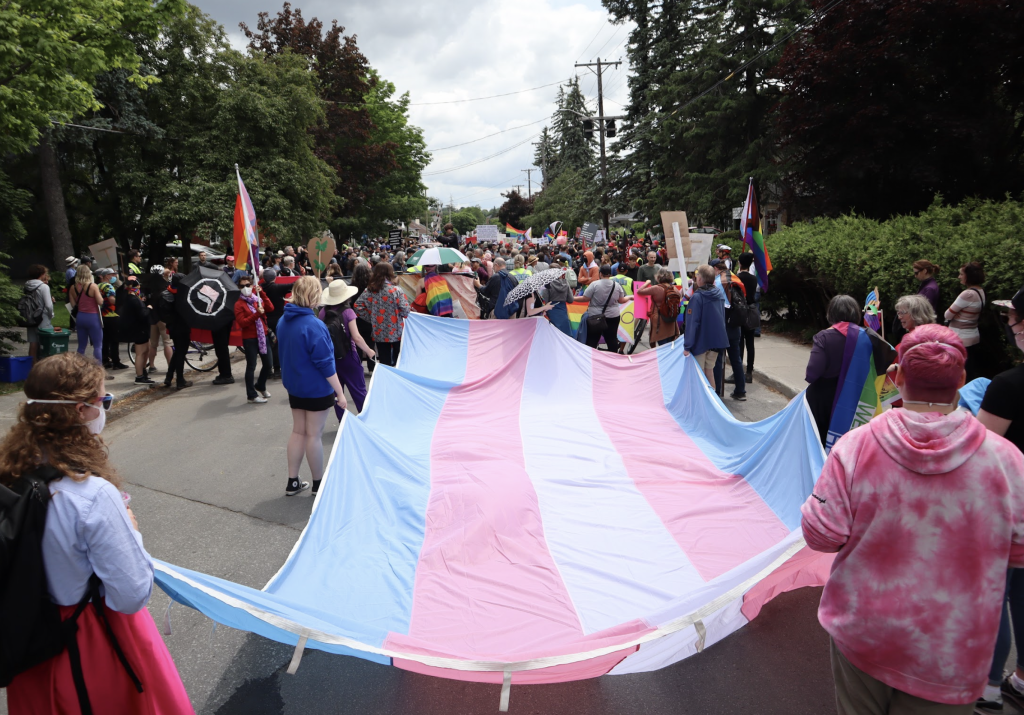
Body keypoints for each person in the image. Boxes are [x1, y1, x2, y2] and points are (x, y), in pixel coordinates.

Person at [801, 324, 1024, 715]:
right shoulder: (1007, 461)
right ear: (961, 381)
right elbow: (1018, 553)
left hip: (863, 631)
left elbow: (821, 533)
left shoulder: (856, 447)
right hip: (952, 650)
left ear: (897, 376)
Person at [1, 352, 194, 713]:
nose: (105, 408)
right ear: (79, 410)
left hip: (29, 645)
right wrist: (131, 529)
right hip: (86, 644)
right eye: (102, 400)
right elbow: (130, 594)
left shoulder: (11, 472)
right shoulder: (89, 494)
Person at [276, 276, 348, 496]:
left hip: (294, 386)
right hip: (316, 388)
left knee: (298, 431)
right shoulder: (315, 325)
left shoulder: (283, 321)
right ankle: (318, 484)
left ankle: (293, 481)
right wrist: (340, 393)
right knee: (313, 435)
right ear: (314, 295)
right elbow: (326, 364)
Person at [805, 295, 895, 447]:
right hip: (858, 396)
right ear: (856, 314)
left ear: (831, 313)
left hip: (824, 399)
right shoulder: (868, 337)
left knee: (819, 442)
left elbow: (812, 374)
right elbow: (886, 358)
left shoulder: (824, 337)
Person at [321, 280, 374, 414]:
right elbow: (356, 337)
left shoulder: (322, 312)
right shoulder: (348, 312)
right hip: (349, 356)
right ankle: (365, 420)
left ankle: (343, 423)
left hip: (330, 358)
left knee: (338, 394)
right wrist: (369, 351)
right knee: (359, 391)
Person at [354, 262, 410, 367]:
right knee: (399, 360)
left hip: (378, 330)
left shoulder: (370, 290)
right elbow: (405, 310)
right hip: (396, 331)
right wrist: (399, 315)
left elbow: (358, 306)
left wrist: (372, 318)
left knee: (384, 361)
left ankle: (386, 380)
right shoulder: (396, 290)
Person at [683, 264, 729, 391]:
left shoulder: (697, 297)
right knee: (710, 372)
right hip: (716, 341)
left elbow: (693, 323)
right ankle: (712, 401)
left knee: (699, 374)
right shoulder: (719, 294)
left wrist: (687, 346)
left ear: (699, 279)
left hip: (700, 341)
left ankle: (701, 403)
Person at [234, 274, 273, 404]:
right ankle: (251, 394)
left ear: (252, 285)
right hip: (250, 338)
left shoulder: (257, 298)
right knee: (251, 366)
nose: (245, 288)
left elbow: (270, 308)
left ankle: (260, 385)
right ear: (239, 287)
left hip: (263, 336)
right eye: (242, 286)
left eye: (247, 285)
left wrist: (263, 295)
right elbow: (242, 323)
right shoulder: (239, 304)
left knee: (268, 364)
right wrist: (257, 314)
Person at [944, 261, 986, 381]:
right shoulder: (980, 292)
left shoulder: (967, 294)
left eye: (961, 274)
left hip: (961, 337)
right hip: (973, 334)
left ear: (969, 276)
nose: (959, 277)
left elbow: (947, 314)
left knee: (961, 372)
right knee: (970, 368)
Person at [713, 259, 748, 401]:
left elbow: (719, 304)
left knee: (717, 358)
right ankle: (740, 391)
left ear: (715, 268)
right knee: (736, 359)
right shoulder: (734, 277)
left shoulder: (719, 281)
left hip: (723, 323)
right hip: (735, 324)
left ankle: (716, 391)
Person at [574, 264, 628, 351]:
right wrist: (630, 297)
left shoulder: (594, 284)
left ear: (600, 274)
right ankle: (614, 358)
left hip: (595, 316)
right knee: (612, 339)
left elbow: (585, 298)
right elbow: (621, 300)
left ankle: (590, 359)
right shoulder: (617, 285)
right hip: (613, 316)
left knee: (593, 339)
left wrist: (572, 298)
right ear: (610, 274)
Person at [157, 273, 193, 390]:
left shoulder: (165, 294)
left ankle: (169, 377)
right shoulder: (183, 295)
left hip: (172, 327)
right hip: (183, 326)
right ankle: (180, 380)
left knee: (178, 352)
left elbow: (162, 314)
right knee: (181, 353)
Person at [117, 276, 154, 385]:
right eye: (138, 287)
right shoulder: (133, 300)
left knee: (146, 349)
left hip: (141, 329)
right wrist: (149, 309)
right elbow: (142, 314)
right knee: (140, 353)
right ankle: (139, 376)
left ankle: (143, 372)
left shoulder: (130, 298)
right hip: (139, 329)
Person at [68, 264, 104, 363]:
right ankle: (99, 369)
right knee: (97, 345)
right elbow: (100, 302)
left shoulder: (72, 287)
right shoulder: (93, 286)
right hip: (93, 317)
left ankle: (79, 368)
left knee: (81, 346)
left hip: (80, 317)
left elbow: (73, 304)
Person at [637, 269, 679, 347]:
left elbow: (639, 291)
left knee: (662, 344)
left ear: (658, 277)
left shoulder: (656, 288)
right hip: (671, 317)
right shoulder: (673, 288)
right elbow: (679, 296)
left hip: (659, 318)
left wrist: (647, 283)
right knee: (669, 344)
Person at [23, 264, 55, 365]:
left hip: (30, 316)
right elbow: (48, 305)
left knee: (33, 342)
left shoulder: (27, 285)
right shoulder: (43, 287)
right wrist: (51, 314)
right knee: (46, 343)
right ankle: (44, 366)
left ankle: (33, 365)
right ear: (42, 274)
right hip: (42, 317)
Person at [736, 253, 758, 383]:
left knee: (739, 343)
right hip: (751, 310)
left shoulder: (737, 278)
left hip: (740, 312)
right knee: (750, 343)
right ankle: (749, 371)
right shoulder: (753, 279)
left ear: (739, 263)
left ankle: (738, 371)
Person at [95, 268, 123, 370]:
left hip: (102, 315)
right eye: (113, 274)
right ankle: (116, 362)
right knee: (114, 340)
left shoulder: (98, 286)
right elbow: (111, 300)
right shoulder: (108, 286)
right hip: (112, 315)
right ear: (107, 276)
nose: (115, 276)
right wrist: (121, 302)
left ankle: (105, 360)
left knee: (105, 340)